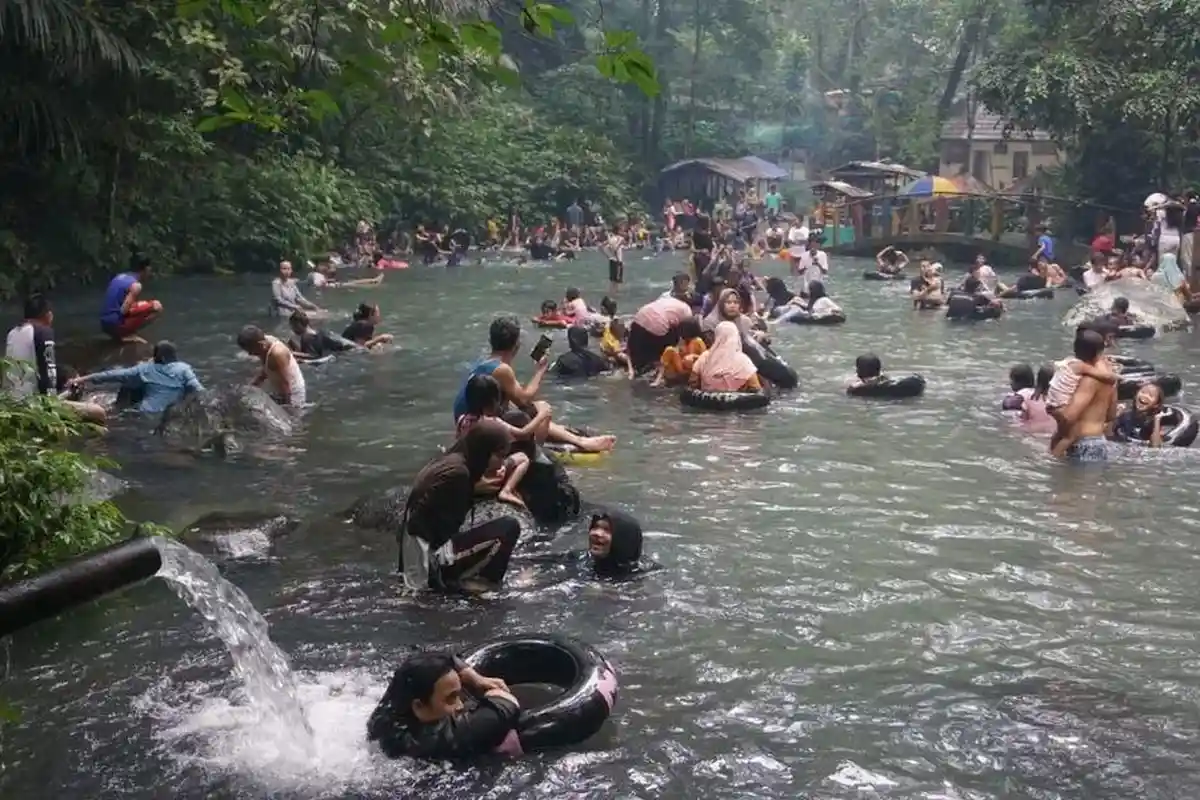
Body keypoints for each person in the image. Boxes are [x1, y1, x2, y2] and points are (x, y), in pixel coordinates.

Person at [451, 316, 614, 453]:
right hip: (479, 429)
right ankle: (574, 444)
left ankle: (572, 436)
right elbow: (525, 400)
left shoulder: (483, 363)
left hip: (466, 422)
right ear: (516, 345)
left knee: (527, 410)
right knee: (539, 408)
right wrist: (540, 370)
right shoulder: (502, 369)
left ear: (491, 341)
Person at [398, 420, 522, 591]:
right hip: (431, 561)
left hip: (427, 551)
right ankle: (485, 585)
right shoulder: (458, 475)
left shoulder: (452, 461)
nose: (501, 463)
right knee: (509, 527)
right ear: (484, 451)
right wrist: (422, 580)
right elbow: (417, 527)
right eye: (499, 456)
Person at [366, 651, 519, 759]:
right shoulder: (428, 741)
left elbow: (438, 656)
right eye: (451, 699)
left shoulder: (396, 702)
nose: (460, 705)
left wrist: (474, 677)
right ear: (419, 706)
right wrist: (493, 693)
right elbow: (507, 704)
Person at [69, 341, 204, 415]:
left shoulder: (145, 369)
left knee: (128, 383)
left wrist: (80, 379)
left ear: (159, 358)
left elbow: (113, 375)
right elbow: (198, 388)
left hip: (146, 412)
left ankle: (118, 408)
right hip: (172, 414)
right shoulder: (184, 368)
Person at [1048, 329, 1118, 459]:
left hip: (1083, 443)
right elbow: (1111, 416)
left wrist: (1064, 434)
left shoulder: (1088, 378)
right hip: (1099, 441)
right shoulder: (1109, 375)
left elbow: (1069, 416)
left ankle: (1051, 457)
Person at [236, 324, 306, 408]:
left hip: (293, 393)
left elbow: (285, 384)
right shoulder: (265, 341)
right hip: (280, 388)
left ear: (260, 344)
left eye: (251, 350)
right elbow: (267, 367)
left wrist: (287, 406)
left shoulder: (277, 354)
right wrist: (253, 385)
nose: (250, 354)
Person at [99, 254, 163, 342]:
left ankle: (122, 333)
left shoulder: (119, 277)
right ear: (146, 269)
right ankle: (126, 334)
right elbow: (123, 311)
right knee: (157, 306)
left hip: (104, 324)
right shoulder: (136, 285)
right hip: (115, 325)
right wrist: (145, 307)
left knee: (142, 305)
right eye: (149, 270)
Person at [627, 294, 694, 373]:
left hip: (639, 317)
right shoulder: (687, 310)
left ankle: (637, 362)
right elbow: (686, 329)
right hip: (657, 325)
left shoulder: (667, 298)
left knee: (636, 354)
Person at [690, 321, 761, 392]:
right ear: (736, 337)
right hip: (735, 398)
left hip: (708, 397)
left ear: (716, 336)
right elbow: (755, 388)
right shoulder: (743, 360)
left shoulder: (705, 356)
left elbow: (693, 382)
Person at [651, 316, 706, 387]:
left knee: (671, 351)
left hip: (693, 369)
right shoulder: (685, 341)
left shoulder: (697, 341)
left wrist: (692, 356)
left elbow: (704, 358)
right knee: (669, 350)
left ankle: (661, 378)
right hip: (683, 367)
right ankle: (660, 378)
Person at [286, 310, 358, 360]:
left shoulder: (307, 338)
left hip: (348, 353)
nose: (292, 329)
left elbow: (313, 356)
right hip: (353, 349)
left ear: (298, 324)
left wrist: (291, 353)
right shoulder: (318, 332)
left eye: (292, 326)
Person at [603, 223, 625, 296]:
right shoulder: (620, 239)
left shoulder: (612, 238)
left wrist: (609, 256)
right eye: (621, 230)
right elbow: (615, 248)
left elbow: (601, 247)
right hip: (618, 261)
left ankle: (611, 295)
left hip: (612, 261)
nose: (623, 231)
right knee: (616, 281)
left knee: (613, 281)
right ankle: (614, 295)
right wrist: (619, 243)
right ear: (618, 231)